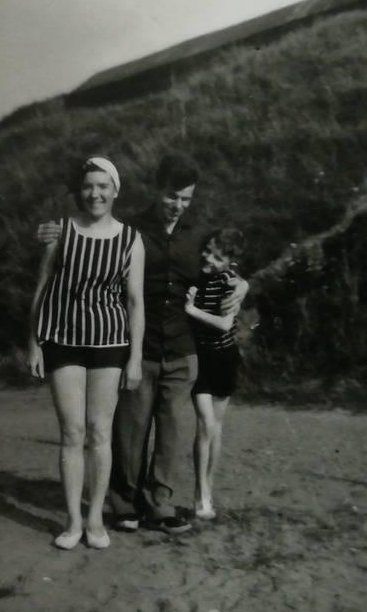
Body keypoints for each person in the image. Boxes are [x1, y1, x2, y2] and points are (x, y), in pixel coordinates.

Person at [40, 153, 245, 534]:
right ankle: (123, 503)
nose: (178, 206)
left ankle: (159, 504)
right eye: (171, 196)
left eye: (185, 199)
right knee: (129, 430)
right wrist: (52, 233)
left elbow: (226, 266)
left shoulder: (199, 234)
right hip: (137, 346)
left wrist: (242, 285)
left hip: (184, 349)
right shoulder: (127, 230)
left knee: (172, 431)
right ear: (157, 189)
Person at [29, 157, 145, 551]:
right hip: (62, 341)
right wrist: (33, 342)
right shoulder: (60, 231)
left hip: (110, 343)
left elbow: (135, 302)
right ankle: (73, 520)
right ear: (79, 191)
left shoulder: (131, 239)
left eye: (103, 186)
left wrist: (134, 358)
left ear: (115, 190)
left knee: (99, 432)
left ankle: (95, 517)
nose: (95, 193)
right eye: (87, 187)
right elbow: (42, 286)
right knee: (72, 432)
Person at [185, 228, 246, 521]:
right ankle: (200, 490)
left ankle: (206, 490)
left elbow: (224, 325)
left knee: (216, 428)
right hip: (200, 359)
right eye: (208, 251)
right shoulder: (194, 276)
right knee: (205, 424)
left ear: (229, 263)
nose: (209, 258)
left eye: (218, 257)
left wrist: (191, 310)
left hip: (224, 358)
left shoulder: (229, 283)